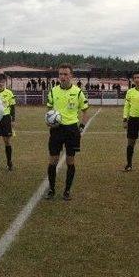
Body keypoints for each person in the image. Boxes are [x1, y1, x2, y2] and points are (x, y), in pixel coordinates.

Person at [45, 63, 89, 200]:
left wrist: (81, 126)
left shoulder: (78, 92)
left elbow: (85, 110)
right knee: (53, 160)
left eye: (65, 74)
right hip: (56, 130)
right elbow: (49, 110)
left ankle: (67, 191)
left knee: (70, 161)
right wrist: (49, 120)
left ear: (71, 76)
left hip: (71, 130)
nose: (62, 77)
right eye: (60, 74)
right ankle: (51, 190)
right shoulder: (53, 91)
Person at [0, 73, 16, 171]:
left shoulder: (9, 93)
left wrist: (13, 119)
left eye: (2, 82)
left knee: (7, 141)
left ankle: (9, 162)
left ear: (5, 82)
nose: (0, 84)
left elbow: (12, 107)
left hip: (6, 118)